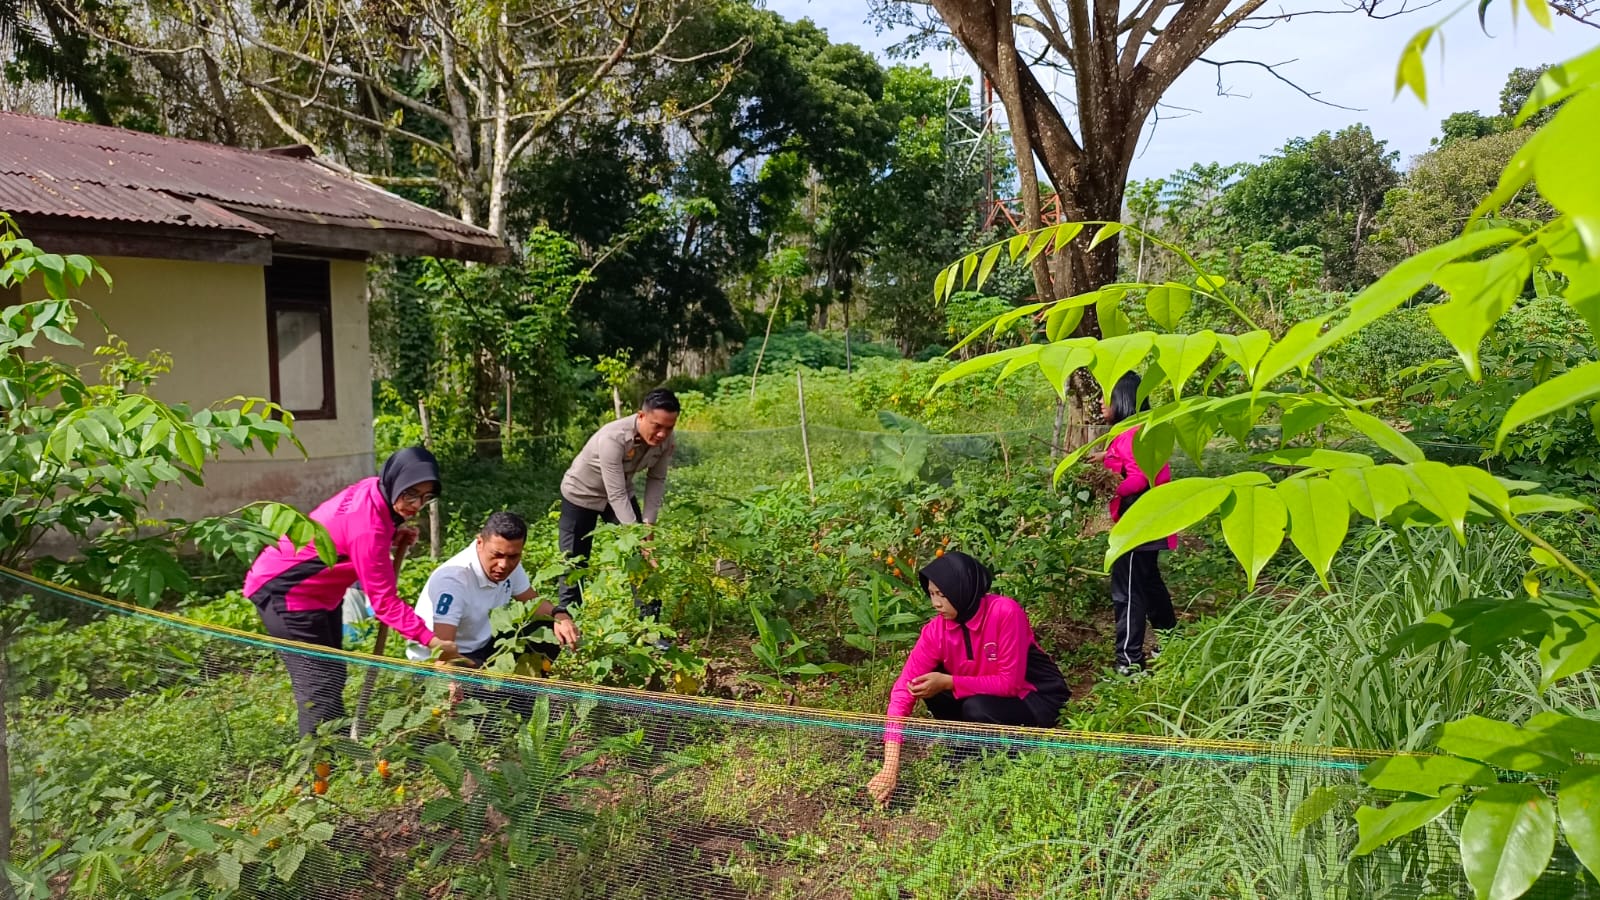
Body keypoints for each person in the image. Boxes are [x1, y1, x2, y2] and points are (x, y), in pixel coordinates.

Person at [245, 447, 457, 736]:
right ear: (395, 481)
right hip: (286, 594)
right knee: (318, 686)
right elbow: (384, 603)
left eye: (425, 496)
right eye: (410, 494)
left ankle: (338, 747)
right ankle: (320, 769)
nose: (416, 505)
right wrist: (430, 639)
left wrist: (391, 537)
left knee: (332, 673)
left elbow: (343, 535)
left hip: (319, 594)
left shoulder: (374, 490)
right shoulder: (367, 528)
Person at [866, 551, 1069, 804]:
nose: (936, 603)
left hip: (1035, 697)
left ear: (963, 589)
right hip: (983, 698)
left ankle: (1016, 750)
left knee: (975, 706)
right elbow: (902, 692)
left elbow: (1009, 683)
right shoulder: (936, 631)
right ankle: (969, 746)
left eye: (943, 594)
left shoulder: (1004, 612)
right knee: (928, 687)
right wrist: (890, 767)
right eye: (932, 594)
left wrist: (949, 681)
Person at [555, 388, 679, 633]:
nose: (662, 433)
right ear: (641, 416)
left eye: (669, 427)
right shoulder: (612, 437)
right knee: (574, 562)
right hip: (581, 494)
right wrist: (639, 534)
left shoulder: (667, 441)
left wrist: (648, 526)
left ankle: (650, 630)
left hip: (621, 494)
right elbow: (616, 494)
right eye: (657, 426)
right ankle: (569, 630)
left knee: (642, 558)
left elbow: (657, 479)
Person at [408, 511, 580, 669]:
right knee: (485, 691)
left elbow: (532, 601)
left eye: (513, 556)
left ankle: (524, 695)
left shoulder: (509, 565)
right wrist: (466, 677)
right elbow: (442, 650)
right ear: (480, 543)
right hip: (441, 660)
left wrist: (560, 615)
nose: (504, 565)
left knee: (549, 626)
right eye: (497, 555)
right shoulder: (454, 580)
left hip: (483, 647)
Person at [1090, 371, 1178, 675]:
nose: (1101, 402)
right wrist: (1106, 457)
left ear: (1123, 398)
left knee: (1127, 590)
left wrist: (1107, 484)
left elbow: (1139, 477)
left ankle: (1129, 661)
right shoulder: (1142, 429)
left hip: (1137, 522)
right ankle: (1172, 640)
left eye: (1107, 394)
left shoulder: (1129, 433)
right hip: (1153, 518)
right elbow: (1134, 462)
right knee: (1149, 583)